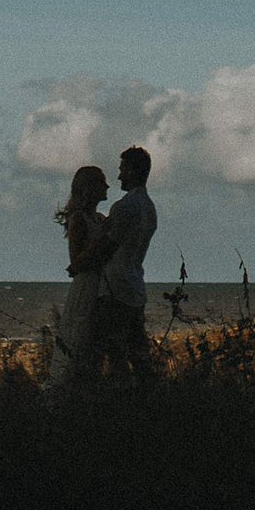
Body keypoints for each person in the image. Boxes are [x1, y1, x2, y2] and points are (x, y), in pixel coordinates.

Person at [91, 145, 158, 379]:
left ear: (131, 171)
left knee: (113, 350)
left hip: (115, 288)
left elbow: (107, 248)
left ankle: (121, 398)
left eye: (122, 169)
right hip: (135, 286)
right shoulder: (149, 208)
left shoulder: (124, 206)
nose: (118, 175)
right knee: (139, 352)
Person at [44, 164, 110, 392]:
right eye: (102, 182)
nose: (107, 186)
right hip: (86, 285)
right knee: (78, 337)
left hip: (101, 285)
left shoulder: (100, 219)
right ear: (90, 188)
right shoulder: (79, 219)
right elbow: (76, 259)